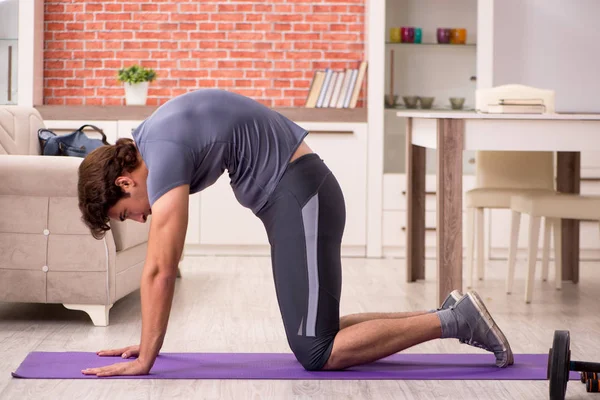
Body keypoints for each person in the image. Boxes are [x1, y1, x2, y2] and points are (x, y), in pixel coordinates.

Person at [77, 89, 513, 377]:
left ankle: (456, 321)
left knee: (316, 350)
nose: (137, 219)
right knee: (317, 330)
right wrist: (147, 340)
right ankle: (452, 311)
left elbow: (160, 269)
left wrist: (146, 358)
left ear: (124, 183)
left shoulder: (164, 153)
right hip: (297, 198)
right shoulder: (155, 137)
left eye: (123, 214)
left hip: (301, 198)